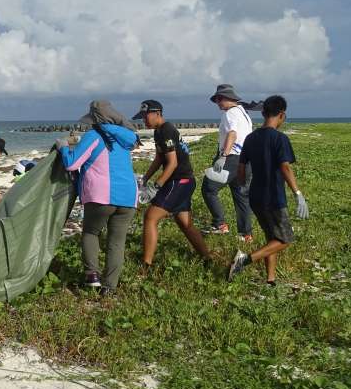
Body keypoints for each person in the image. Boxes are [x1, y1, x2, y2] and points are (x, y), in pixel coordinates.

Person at [57, 100, 138, 295]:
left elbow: (72, 164)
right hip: (128, 196)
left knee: (91, 233)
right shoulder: (127, 138)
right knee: (116, 242)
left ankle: (92, 275)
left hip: (101, 196)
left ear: (94, 118)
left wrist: (62, 148)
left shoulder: (94, 135)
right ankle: (109, 287)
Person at [228, 95, 309, 284]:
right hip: (274, 197)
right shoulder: (280, 139)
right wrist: (298, 194)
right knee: (285, 239)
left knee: (271, 238)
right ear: (282, 114)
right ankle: (245, 259)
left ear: (264, 113)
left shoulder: (250, 138)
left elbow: (241, 168)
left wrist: (242, 186)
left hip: (255, 196)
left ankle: (270, 279)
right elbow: (285, 167)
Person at [134, 100, 211, 275]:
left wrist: (156, 186)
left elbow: (172, 163)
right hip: (182, 181)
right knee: (185, 223)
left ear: (157, 113)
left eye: (145, 116)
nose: (143, 120)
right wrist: (145, 178)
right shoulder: (158, 131)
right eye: (141, 117)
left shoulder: (167, 130)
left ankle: (146, 266)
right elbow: (160, 158)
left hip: (180, 181)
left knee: (150, 217)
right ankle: (207, 259)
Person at [201, 84, 254, 241]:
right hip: (245, 159)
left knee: (209, 189)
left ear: (227, 98)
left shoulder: (230, 113)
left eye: (219, 99)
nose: (217, 102)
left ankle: (219, 224)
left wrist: (223, 156)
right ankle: (246, 234)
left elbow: (232, 133)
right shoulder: (243, 113)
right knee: (241, 196)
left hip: (231, 158)